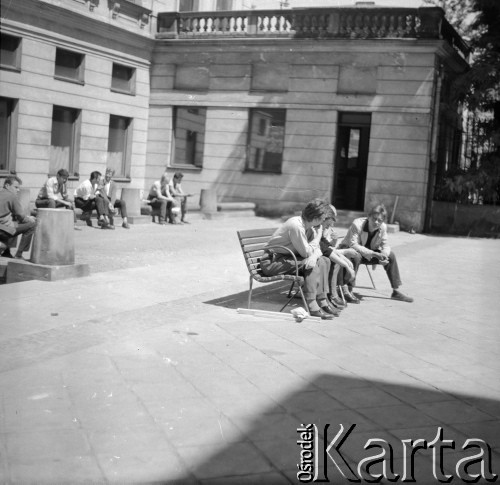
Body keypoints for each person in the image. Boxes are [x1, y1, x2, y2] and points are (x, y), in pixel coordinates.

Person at [260, 198, 339, 320]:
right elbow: (306, 252)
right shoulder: (296, 225)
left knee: (324, 260)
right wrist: (317, 238)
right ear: (316, 217)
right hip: (272, 262)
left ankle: (323, 299)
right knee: (311, 266)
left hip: (288, 258)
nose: (324, 220)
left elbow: (317, 250)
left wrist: (313, 256)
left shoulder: (310, 227)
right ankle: (312, 305)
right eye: (323, 217)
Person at [339, 203, 413, 303]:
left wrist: (384, 257)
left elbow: (385, 245)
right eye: (374, 219)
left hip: (368, 253)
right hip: (349, 251)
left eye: (380, 220)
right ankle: (348, 290)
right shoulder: (357, 224)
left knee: (391, 255)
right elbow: (354, 245)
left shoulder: (383, 227)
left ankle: (396, 291)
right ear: (368, 217)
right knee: (355, 255)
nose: (377, 222)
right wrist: (374, 254)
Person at [319, 205, 361, 308]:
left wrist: (334, 241)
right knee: (334, 261)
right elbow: (326, 250)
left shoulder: (324, 227)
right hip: (310, 256)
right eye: (330, 222)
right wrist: (345, 260)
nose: (332, 225)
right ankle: (332, 294)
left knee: (354, 257)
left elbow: (329, 247)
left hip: (324, 251)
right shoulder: (318, 228)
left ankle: (346, 289)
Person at [0, 175, 36, 260]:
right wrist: (30, 219)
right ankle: (18, 255)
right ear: (7, 185)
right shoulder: (12, 196)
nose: (18, 190)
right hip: (2, 230)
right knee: (32, 225)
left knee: (14, 220)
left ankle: (6, 251)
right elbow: (21, 217)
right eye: (16, 187)